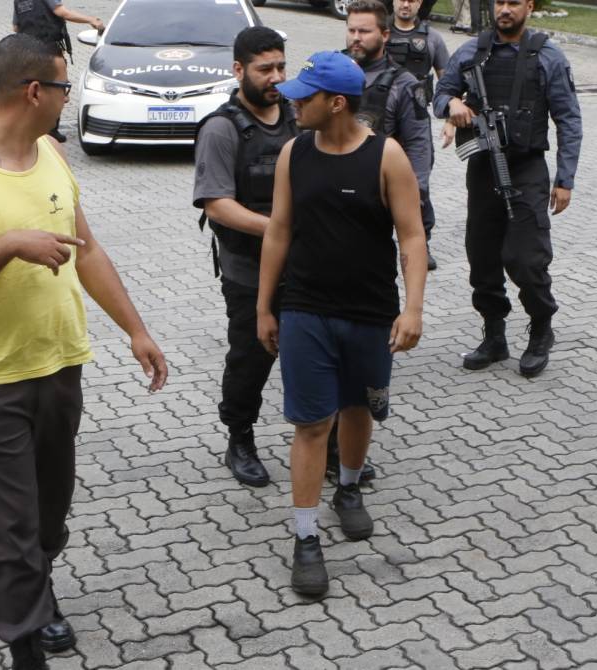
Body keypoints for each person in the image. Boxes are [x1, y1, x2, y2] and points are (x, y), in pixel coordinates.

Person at [0, 34, 169, 670]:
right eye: (63, 89)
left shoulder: (52, 151)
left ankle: (38, 587)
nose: (66, 99)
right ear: (34, 92)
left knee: (48, 521)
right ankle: (26, 648)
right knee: (14, 531)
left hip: (58, 366)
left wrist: (136, 330)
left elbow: (88, 249)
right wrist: (4, 247)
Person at [256, 51, 427, 597]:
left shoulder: (387, 156)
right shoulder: (293, 153)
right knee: (311, 423)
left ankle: (348, 489)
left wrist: (414, 308)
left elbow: (413, 237)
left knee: (359, 407)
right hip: (305, 309)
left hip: (370, 313)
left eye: (304, 97)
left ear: (336, 103)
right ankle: (306, 539)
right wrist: (265, 306)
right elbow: (279, 230)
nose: (293, 102)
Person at [434, 0, 582, 377]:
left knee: (526, 258)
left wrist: (564, 179)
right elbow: (438, 95)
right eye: (499, 2)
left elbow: (568, 119)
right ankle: (495, 338)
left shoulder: (548, 57)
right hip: (483, 167)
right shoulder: (472, 51)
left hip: (526, 167)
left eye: (513, 2)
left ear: (529, 6)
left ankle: (541, 330)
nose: (505, 9)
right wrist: (451, 103)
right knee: (482, 258)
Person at [193, 27, 296, 488]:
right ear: (238, 70)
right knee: (251, 358)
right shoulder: (221, 128)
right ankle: (240, 437)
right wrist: (277, 229)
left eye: (280, 67)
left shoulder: (297, 116)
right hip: (248, 271)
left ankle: (329, 445)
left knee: (314, 354)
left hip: (305, 267)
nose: (275, 77)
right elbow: (217, 202)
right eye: (264, 69)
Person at [345, 0, 436, 269]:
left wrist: (415, 197)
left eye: (364, 32)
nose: (356, 38)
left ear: (385, 35)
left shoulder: (404, 84)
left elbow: (419, 144)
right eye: (351, 31)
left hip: (375, 197)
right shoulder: (331, 71)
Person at [12, 0, 105, 141]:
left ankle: (32, 128)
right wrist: (91, 19)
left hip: (28, 50)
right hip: (49, 49)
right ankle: (51, 130)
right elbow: (61, 12)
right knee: (56, 87)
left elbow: (15, 27)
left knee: (34, 89)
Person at [387, 0, 450, 106]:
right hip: (381, 107)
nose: (406, 5)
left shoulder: (433, 37)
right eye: (402, 0)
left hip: (416, 110)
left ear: (420, 3)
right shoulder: (377, 32)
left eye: (411, 1)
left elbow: (448, 82)